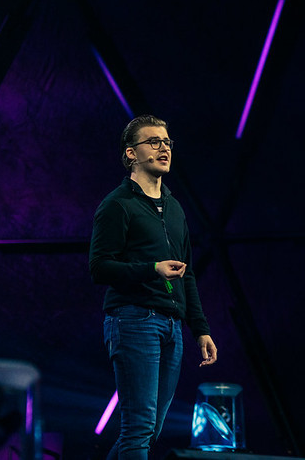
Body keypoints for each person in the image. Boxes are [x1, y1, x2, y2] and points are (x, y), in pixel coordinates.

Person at [89, 114, 217, 459]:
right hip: (134, 319)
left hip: (171, 326)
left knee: (148, 431)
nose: (164, 148)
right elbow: (99, 267)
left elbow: (187, 274)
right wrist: (152, 269)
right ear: (131, 153)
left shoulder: (174, 208)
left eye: (167, 142)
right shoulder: (118, 205)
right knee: (140, 429)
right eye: (154, 142)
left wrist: (200, 329)